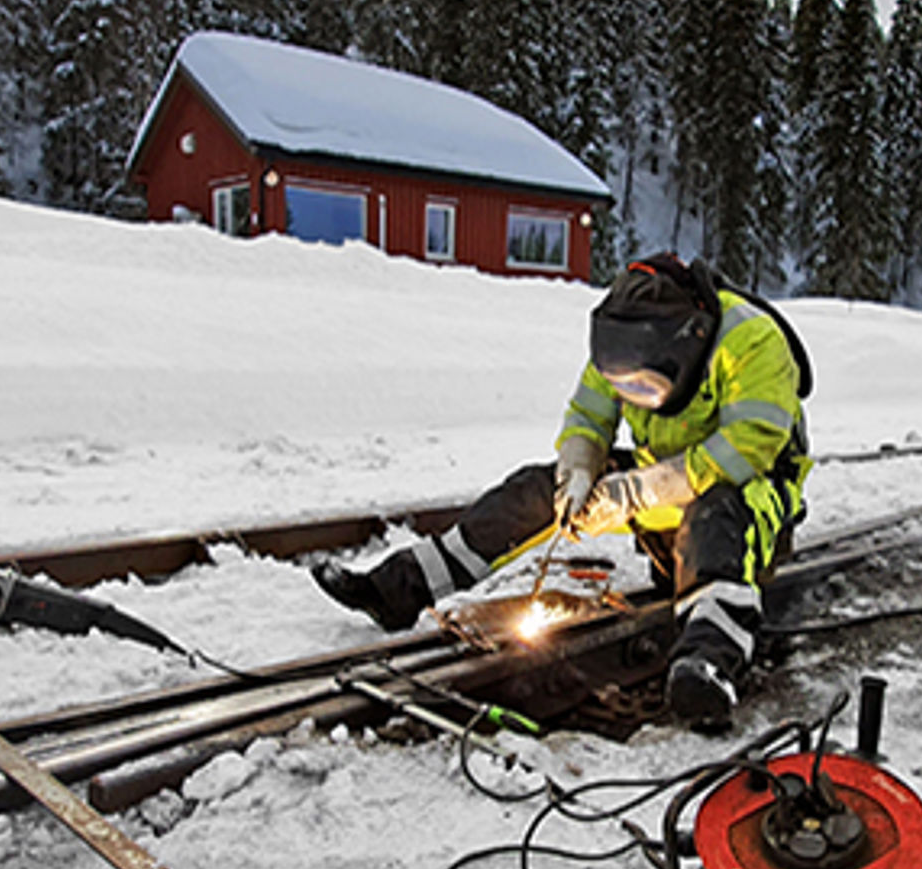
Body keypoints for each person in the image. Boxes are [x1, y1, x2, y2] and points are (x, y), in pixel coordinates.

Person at [313, 253, 812, 730]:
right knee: (534, 491)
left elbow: (746, 450)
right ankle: (394, 591)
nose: (631, 392)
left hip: (751, 499)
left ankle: (708, 666)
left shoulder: (751, 340)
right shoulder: (626, 338)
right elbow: (589, 417)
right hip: (662, 493)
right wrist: (578, 471)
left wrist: (634, 493)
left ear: (688, 343)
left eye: (643, 386)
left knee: (717, 513)